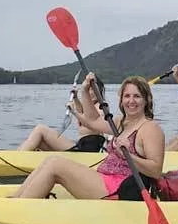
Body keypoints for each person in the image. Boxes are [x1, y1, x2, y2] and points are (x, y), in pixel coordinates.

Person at [9, 73, 166, 200]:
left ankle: (18, 208)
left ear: (146, 100)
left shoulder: (150, 128)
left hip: (119, 189)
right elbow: (93, 121)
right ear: (121, 99)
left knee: (55, 164)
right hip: (104, 178)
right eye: (127, 96)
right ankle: (15, 199)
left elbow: (155, 171)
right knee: (49, 160)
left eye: (137, 96)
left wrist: (129, 155)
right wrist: (85, 90)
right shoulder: (121, 121)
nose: (131, 101)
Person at [16, 77, 108, 152]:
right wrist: (75, 98)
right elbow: (82, 112)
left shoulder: (101, 107)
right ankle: (17, 156)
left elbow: (91, 122)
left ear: (99, 90)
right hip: (81, 145)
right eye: (88, 90)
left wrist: (73, 112)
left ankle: (16, 159)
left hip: (88, 149)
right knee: (40, 143)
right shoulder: (90, 107)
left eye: (92, 89)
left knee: (40, 129)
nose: (90, 93)